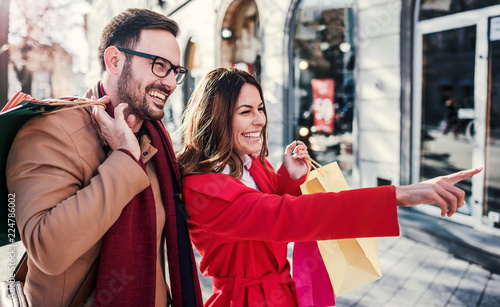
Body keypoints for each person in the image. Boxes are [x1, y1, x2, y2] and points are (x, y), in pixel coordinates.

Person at [176, 68, 482, 307]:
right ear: (216, 118)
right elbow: (287, 216)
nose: (260, 120)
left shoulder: (252, 163)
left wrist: (290, 178)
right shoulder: (203, 190)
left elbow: (268, 206)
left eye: (260, 108)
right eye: (246, 112)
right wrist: (403, 195)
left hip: (282, 293)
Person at [6, 8, 202, 306]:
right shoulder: (50, 131)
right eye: (159, 65)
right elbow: (48, 250)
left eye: (176, 70)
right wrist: (124, 158)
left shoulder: (153, 139)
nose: (172, 83)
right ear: (114, 60)